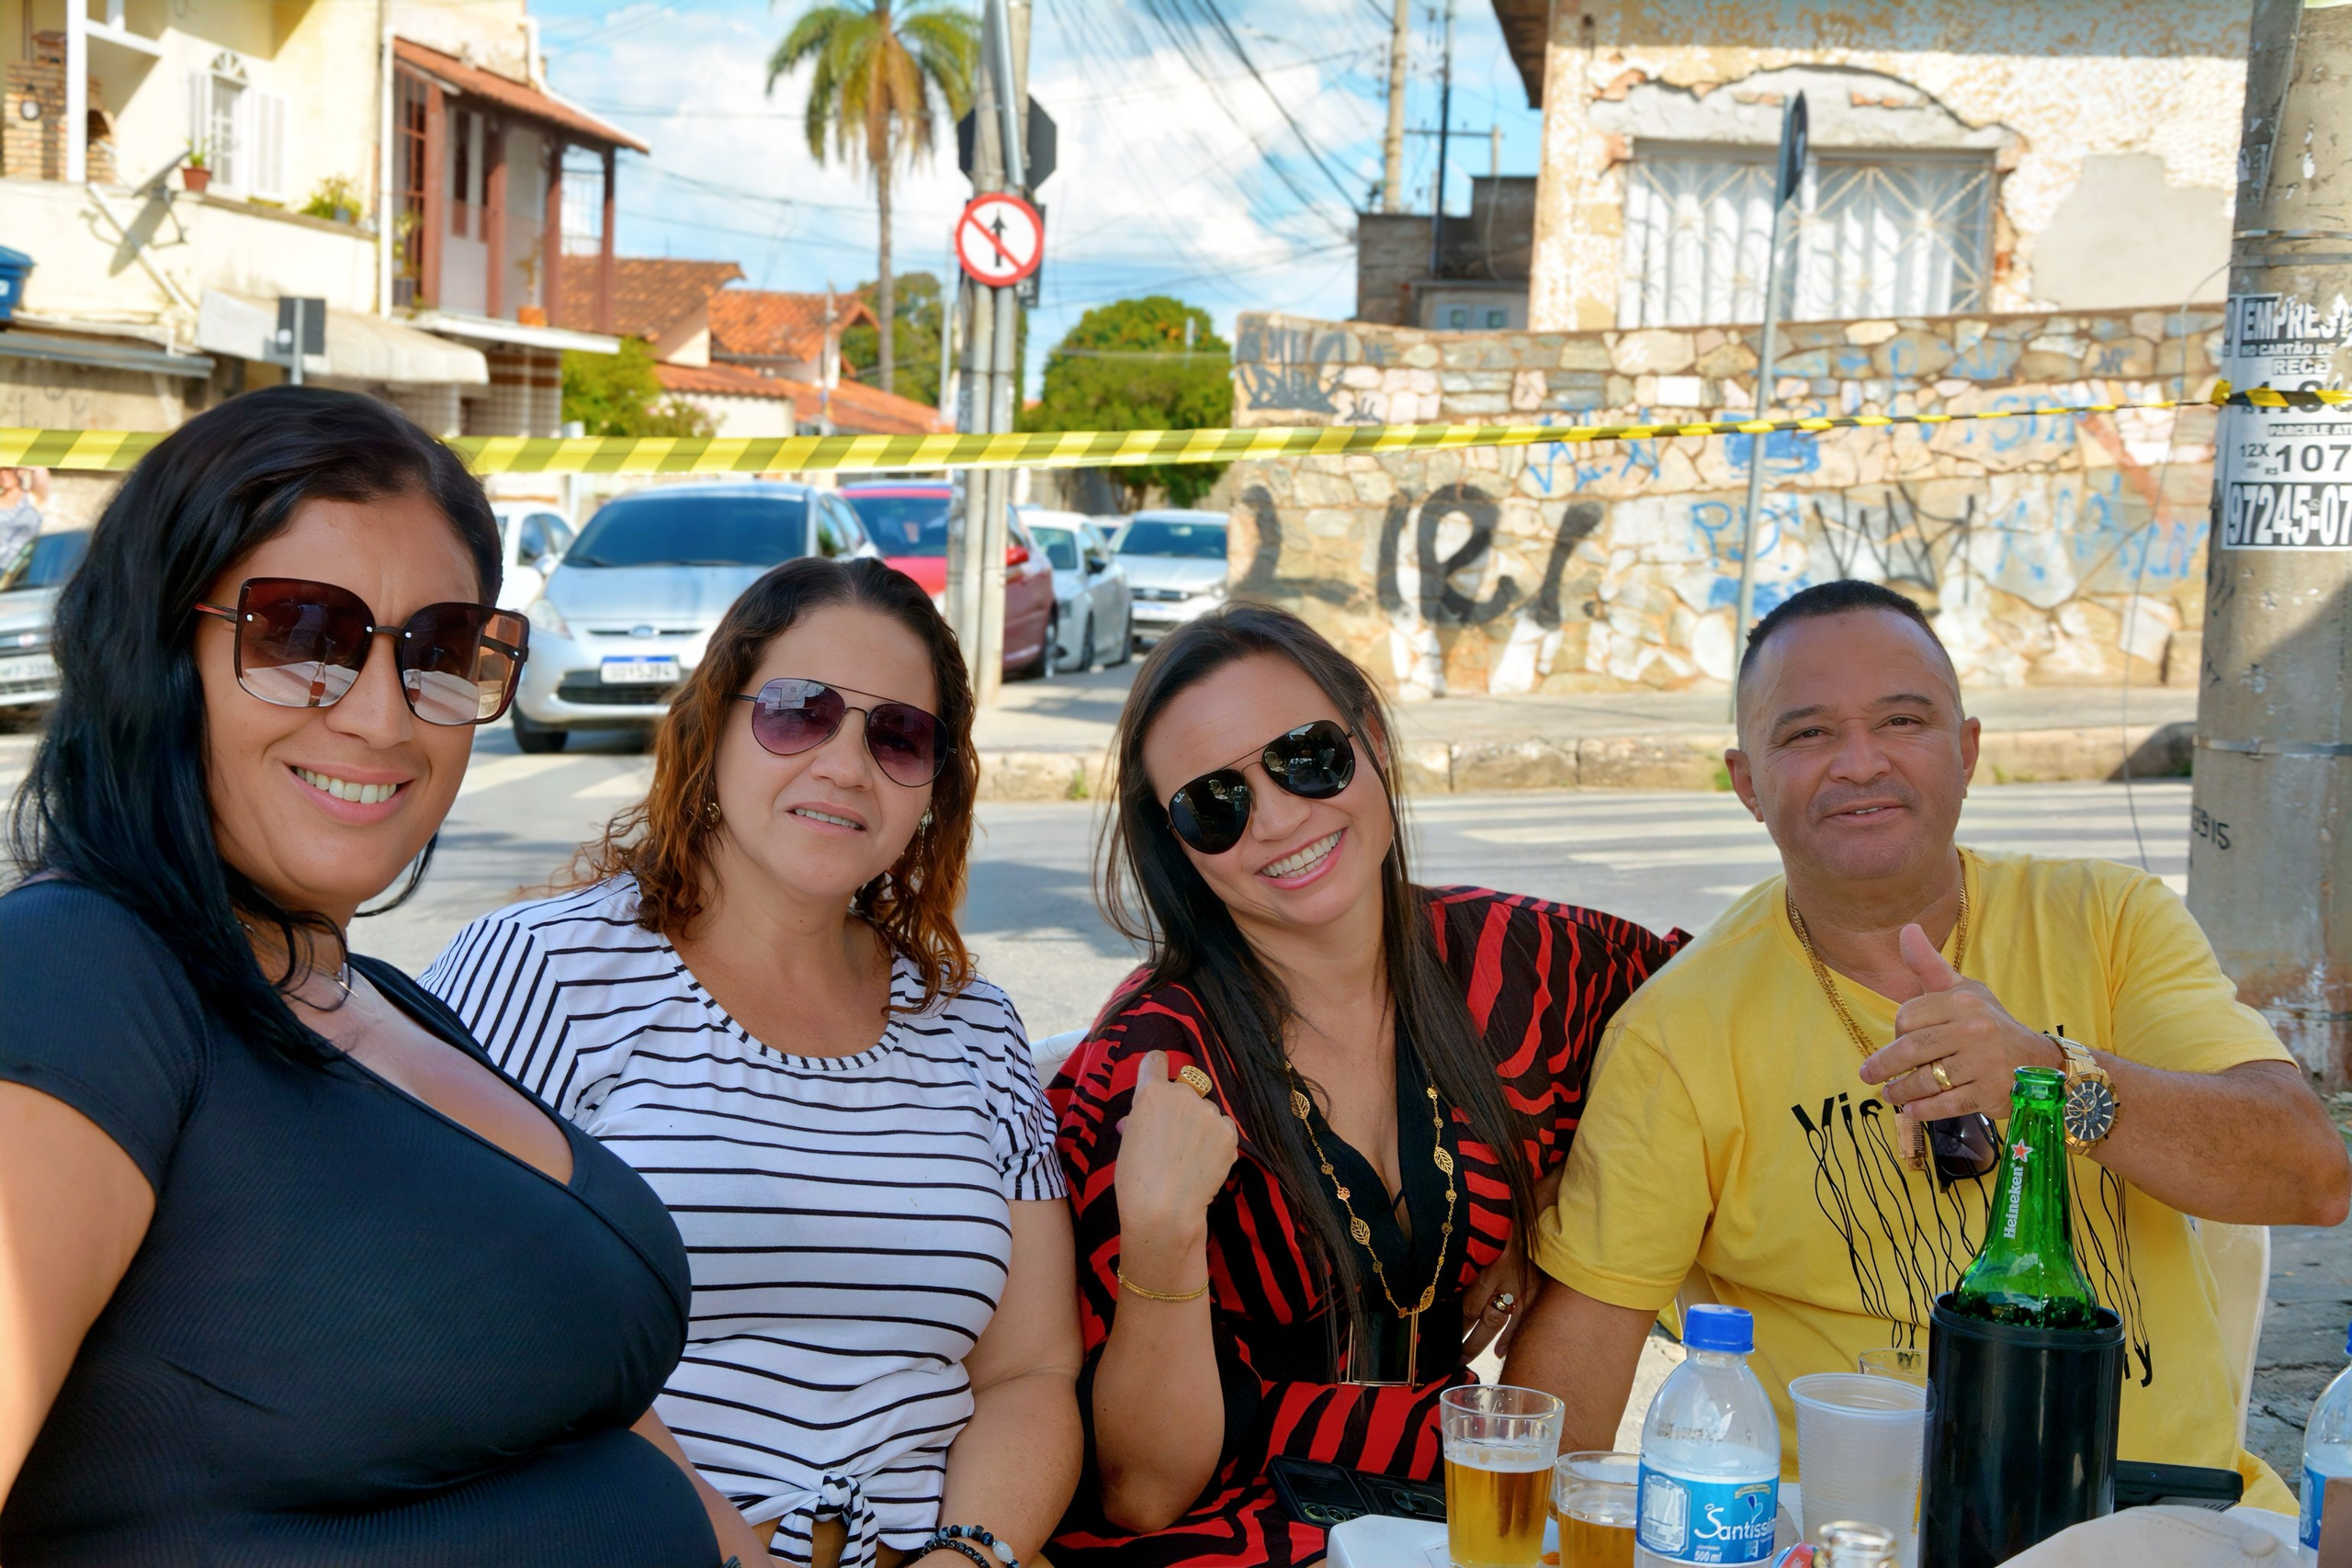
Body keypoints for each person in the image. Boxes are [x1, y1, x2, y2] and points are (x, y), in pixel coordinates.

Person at [0, 386, 760, 1566]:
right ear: (154, 650)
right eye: (301, 635)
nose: (381, 714)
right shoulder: (82, 975)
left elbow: (604, 1427)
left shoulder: (388, 1004)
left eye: (442, 650)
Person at [1506, 579, 2352, 1511]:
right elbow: (1582, 1345)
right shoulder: (1677, 1033)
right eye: (1806, 734)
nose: (1859, 763)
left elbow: (2308, 1176)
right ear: (1747, 782)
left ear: (1968, 751)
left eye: (1903, 721)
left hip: (2168, 1520)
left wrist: (2051, 1081)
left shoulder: (2110, 922)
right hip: (1867, 1537)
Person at [423, 556, 1081, 1568]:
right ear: (713, 725)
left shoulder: (977, 1033)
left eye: (898, 734)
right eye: (797, 711)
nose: (845, 764)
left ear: (933, 788)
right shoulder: (544, 972)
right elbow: (468, 1327)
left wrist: (965, 1558)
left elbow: (1031, 1374)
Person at [1047, 604, 1683, 1568]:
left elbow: (1707, 1021)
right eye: (1214, 805)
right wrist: (1165, 1239)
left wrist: (1550, 1196)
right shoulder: (1148, 1074)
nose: (1279, 819)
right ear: (1176, 844)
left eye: (1306, 757)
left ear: (1373, 739)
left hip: (1466, 1524)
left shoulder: (1525, 963)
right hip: (1231, 1540)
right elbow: (1141, 1492)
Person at [0, 465, 48, 572]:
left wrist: (18, 461)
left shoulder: (32, 499)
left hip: (23, 569)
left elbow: (40, 470)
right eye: (0, 471)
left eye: (8, 470)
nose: (3, 475)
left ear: (19, 471)